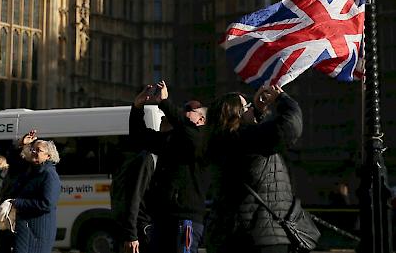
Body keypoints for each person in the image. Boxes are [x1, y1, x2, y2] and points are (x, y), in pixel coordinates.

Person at [205, 84, 302, 253]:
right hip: (259, 236)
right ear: (236, 115)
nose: (251, 107)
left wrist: (257, 109)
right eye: (247, 106)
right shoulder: (245, 139)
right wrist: (282, 99)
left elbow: (256, 132)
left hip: (230, 234)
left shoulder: (223, 140)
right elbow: (290, 126)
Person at [129, 81, 210, 253]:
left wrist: (165, 103)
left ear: (202, 119)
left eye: (190, 110)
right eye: (184, 109)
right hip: (162, 217)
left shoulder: (202, 139)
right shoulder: (172, 139)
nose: (183, 112)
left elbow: (186, 130)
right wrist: (137, 107)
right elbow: (140, 137)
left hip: (186, 219)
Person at [10, 137, 61, 253]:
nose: (33, 152)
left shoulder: (49, 175)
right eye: (32, 149)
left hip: (37, 234)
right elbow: (13, 164)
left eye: (38, 150)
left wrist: (18, 203)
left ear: (48, 156)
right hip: (26, 232)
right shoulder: (32, 171)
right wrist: (22, 145)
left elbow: (47, 203)